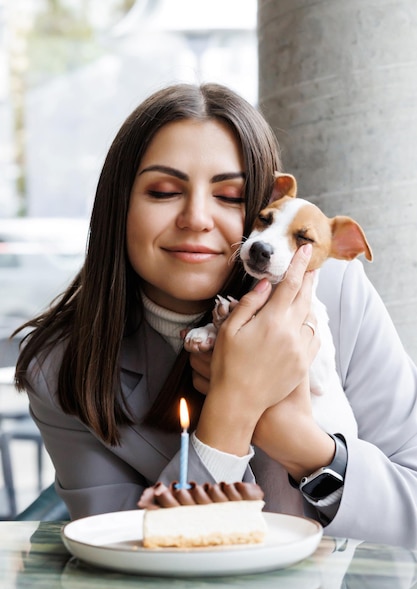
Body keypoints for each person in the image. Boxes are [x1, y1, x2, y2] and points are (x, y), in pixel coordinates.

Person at [14, 83, 417, 548]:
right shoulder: (60, 366)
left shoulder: (337, 295)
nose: (197, 218)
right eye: (164, 191)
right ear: (118, 204)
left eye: (229, 196)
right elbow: (127, 564)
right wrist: (234, 407)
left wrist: (302, 445)